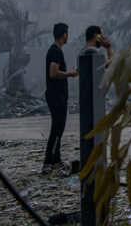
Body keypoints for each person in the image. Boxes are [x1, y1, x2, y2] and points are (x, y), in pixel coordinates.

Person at [43, 22, 78, 174]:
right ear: (64, 34)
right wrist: (69, 74)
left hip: (57, 94)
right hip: (56, 95)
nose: (68, 36)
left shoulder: (55, 50)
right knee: (57, 128)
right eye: (68, 33)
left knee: (59, 128)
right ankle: (48, 162)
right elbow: (53, 72)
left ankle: (56, 159)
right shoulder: (56, 51)